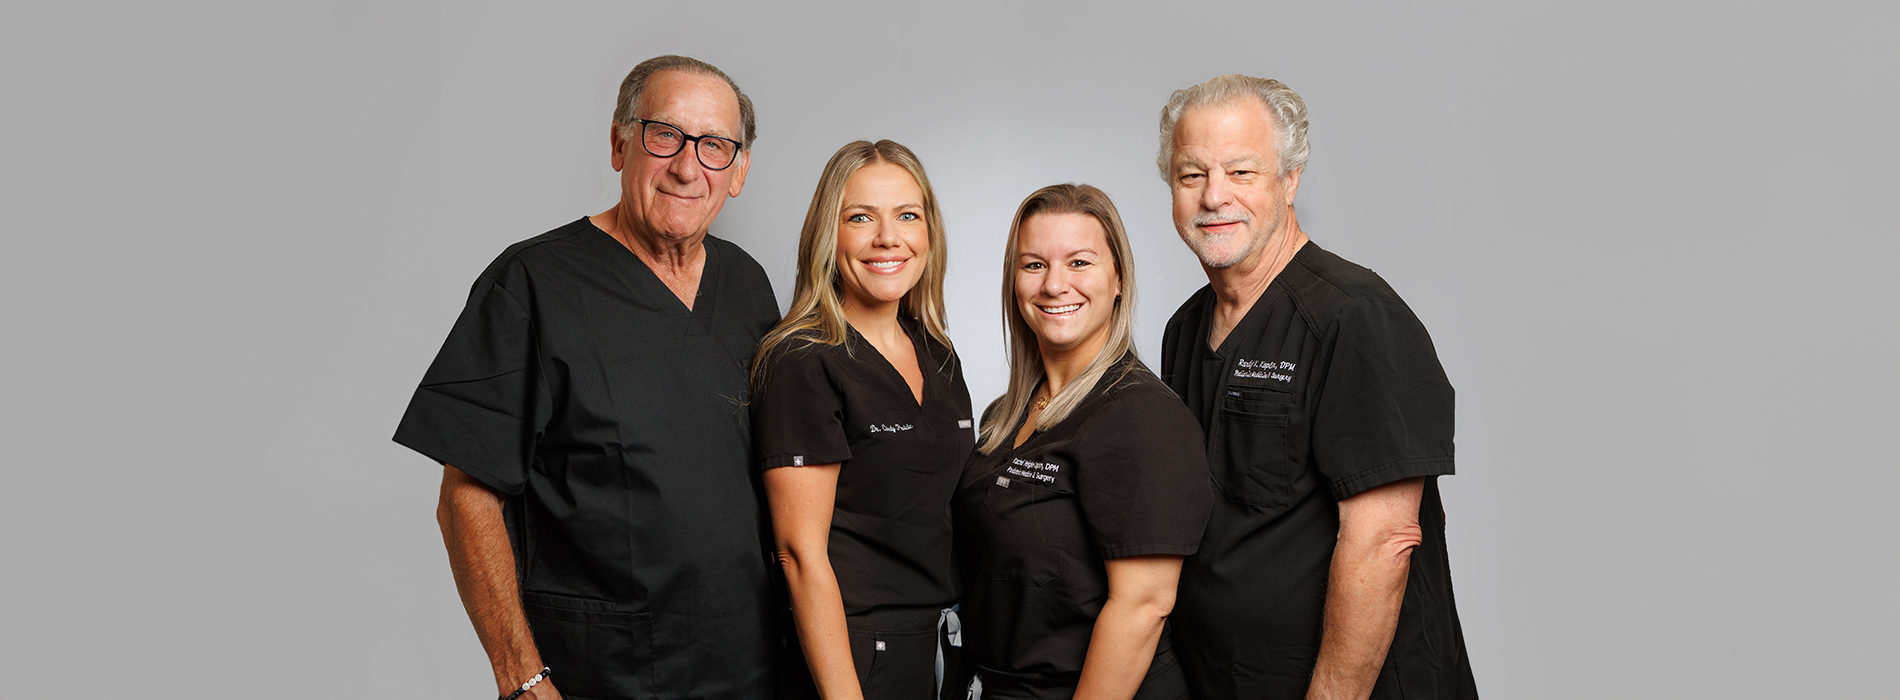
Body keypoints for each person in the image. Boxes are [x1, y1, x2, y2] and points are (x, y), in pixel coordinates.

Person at [393, 55, 779, 700]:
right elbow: (465, 497)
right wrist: (521, 678)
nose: (688, 166)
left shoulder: (747, 285)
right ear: (618, 143)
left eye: (715, 146)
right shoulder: (532, 284)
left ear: (738, 172)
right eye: (665, 135)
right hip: (602, 671)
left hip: (751, 666)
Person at [1153, 75, 1476, 699]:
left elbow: (1384, 539)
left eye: (1241, 172)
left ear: (1290, 178)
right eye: (1191, 175)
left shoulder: (1356, 316)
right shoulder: (1185, 329)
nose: (1214, 196)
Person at [955, 184, 1212, 700]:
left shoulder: (1142, 416)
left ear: (1118, 279)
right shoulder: (1003, 418)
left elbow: (1143, 607)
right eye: (1033, 265)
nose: (1054, 285)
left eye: (1079, 263)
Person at [750, 140, 974, 700]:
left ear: (928, 232)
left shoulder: (937, 354)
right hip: (854, 655)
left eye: (906, 215)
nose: (887, 238)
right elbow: (799, 554)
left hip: (944, 645)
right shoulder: (803, 360)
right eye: (859, 218)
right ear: (830, 235)